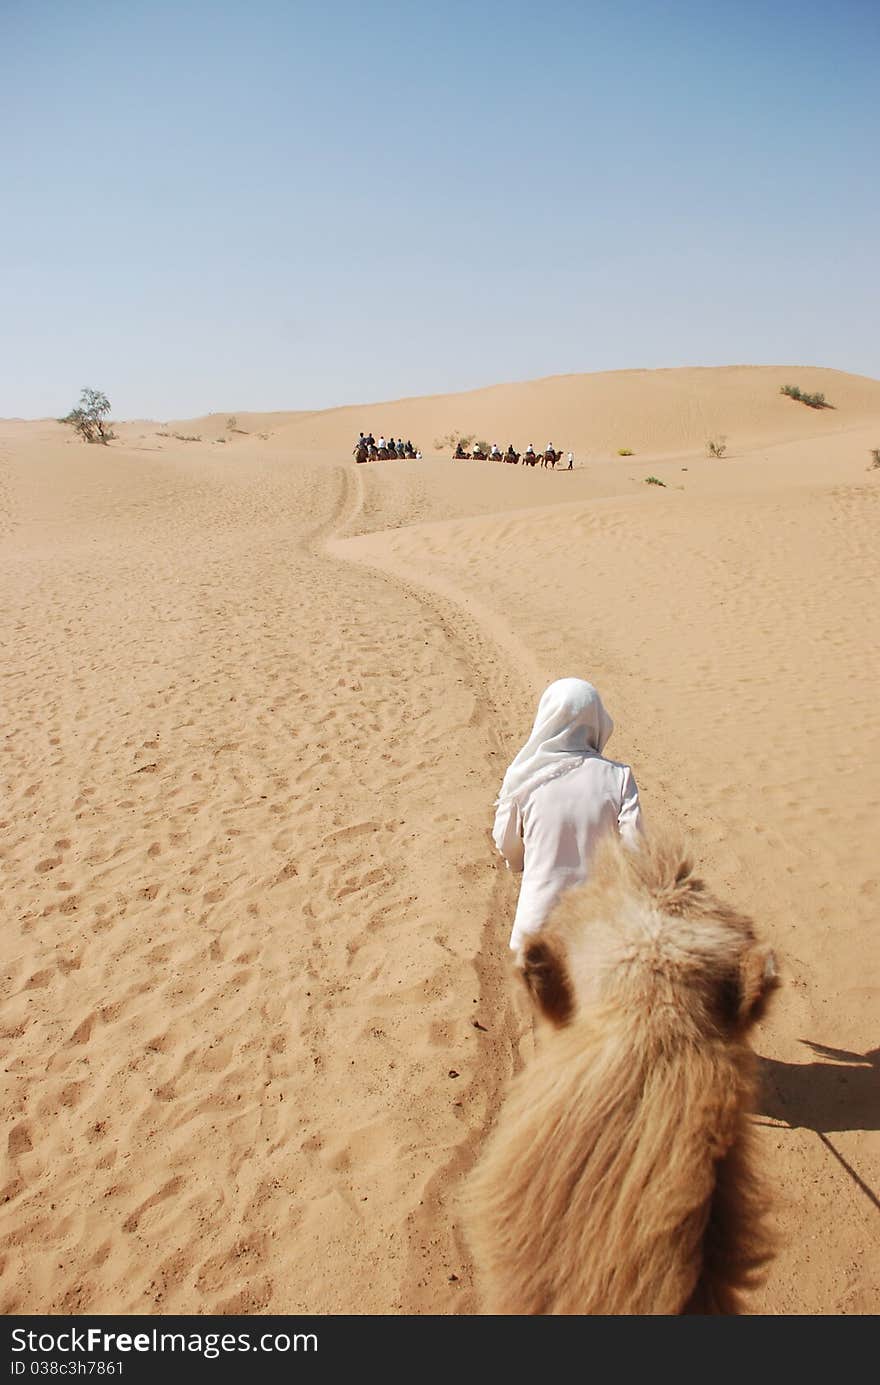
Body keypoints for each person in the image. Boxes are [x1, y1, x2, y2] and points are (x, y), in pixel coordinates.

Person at [492, 677, 642, 958]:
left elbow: (505, 841)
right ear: (597, 719)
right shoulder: (618, 777)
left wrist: (523, 862)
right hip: (598, 929)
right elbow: (636, 848)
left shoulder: (524, 777)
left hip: (535, 929)